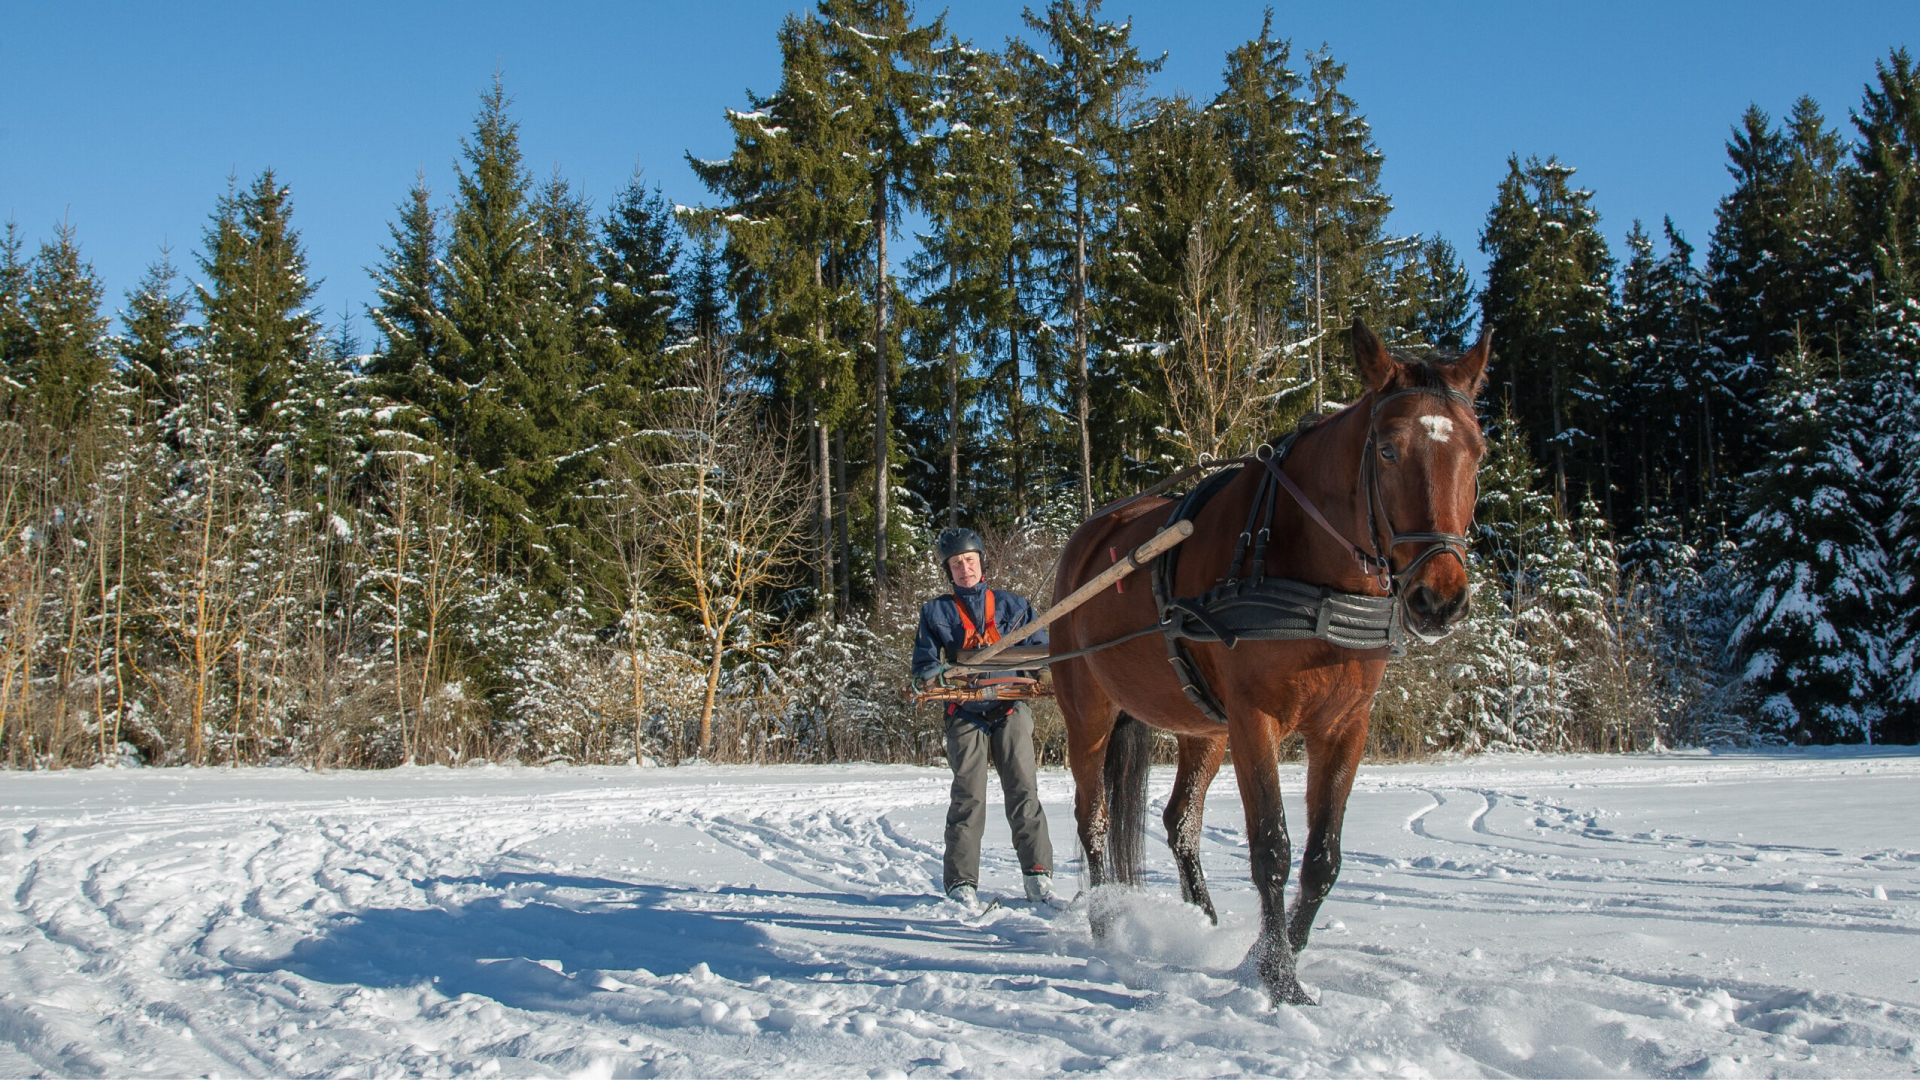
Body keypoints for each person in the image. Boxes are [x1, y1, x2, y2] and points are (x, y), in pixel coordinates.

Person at [913, 527, 1057, 909]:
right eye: (956, 564)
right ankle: (961, 882)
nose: (965, 569)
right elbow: (924, 664)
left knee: (1023, 790)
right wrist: (933, 675)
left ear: (981, 562)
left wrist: (1044, 672)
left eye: (970, 561)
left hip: (1011, 707)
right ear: (949, 570)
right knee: (968, 797)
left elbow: (1042, 651)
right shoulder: (935, 612)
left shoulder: (1016, 606)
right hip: (963, 712)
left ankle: (1038, 874)